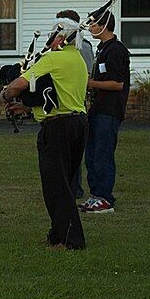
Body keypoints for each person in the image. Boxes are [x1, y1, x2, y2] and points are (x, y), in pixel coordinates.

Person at [0, 19, 88, 250]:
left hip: (58, 128)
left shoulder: (52, 58)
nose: (51, 38)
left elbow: (20, 84)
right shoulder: (77, 60)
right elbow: (61, 95)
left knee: (55, 185)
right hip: (78, 122)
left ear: (61, 38)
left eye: (54, 35)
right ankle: (57, 235)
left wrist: (5, 94)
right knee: (66, 182)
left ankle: (71, 241)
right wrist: (28, 108)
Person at [79, 9, 130, 214]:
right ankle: (95, 195)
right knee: (91, 155)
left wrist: (90, 83)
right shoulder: (102, 48)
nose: (90, 28)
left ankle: (104, 198)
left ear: (104, 26)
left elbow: (118, 83)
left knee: (103, 154)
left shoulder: (116, 50)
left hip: (109, 111)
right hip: (97, 109)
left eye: (93, 24)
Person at [56, 10, 94, 202]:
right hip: (59, 102)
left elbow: (85, 75)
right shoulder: (59, 47)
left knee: (73, 148)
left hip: (75, 102)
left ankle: (75, 187)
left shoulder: (83, 47)